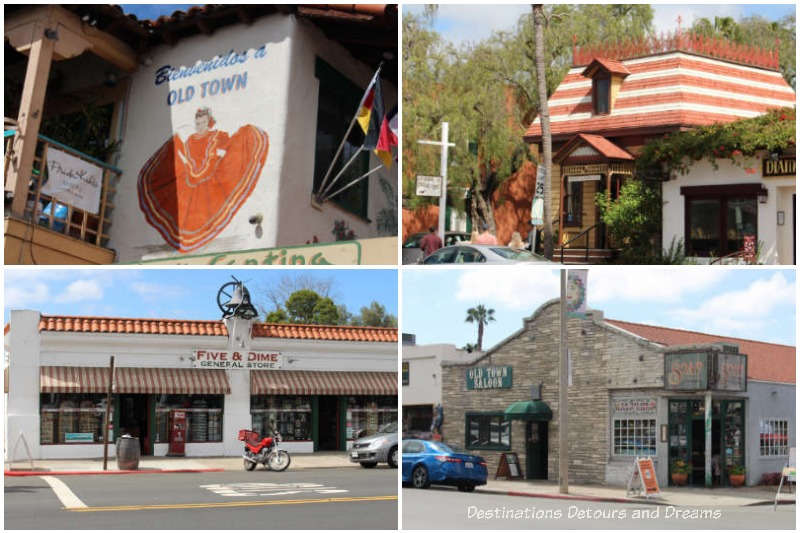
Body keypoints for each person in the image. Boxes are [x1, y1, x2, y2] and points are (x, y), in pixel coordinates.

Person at [138, 107, 269, 253]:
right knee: (187, 214)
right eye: (198, 123)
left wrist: (220, 159)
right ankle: (187, 242)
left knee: (206, 211)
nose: (200, 126)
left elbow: (227, 146)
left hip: (210, 177)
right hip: (191, 179)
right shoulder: (191, 140)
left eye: (203, 122)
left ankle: (199, 241)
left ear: (209, 122)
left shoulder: (217, 136)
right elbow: (187, 155)